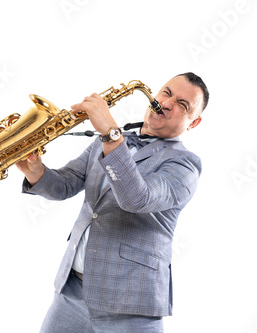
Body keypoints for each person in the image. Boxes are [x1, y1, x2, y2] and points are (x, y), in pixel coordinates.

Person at [16, 72, 209, 332]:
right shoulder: (111, 141)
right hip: (72, 293)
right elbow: (66, 184)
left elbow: (136, 198)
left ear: (193, 123)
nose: (167, 103)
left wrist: (110, 133)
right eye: (166, 92)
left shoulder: (185, 164)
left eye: (182, 105)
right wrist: (35, 171)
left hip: (131, 306)